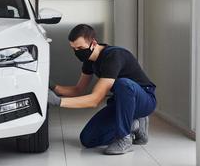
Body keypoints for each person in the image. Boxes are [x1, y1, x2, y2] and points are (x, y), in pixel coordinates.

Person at [48, 24, 157, 155]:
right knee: (88, 139)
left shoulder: (113, 56)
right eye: (74, 48)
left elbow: (95, 99)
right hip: (121, 104)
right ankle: (135, 126)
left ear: (93, 43)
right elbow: (78, 89)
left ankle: (124, 138)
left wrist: (58, 102)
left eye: (80, 48)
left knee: (124, 84)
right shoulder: (89, 61)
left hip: (144, 100)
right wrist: (53, 87)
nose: (77, 52)